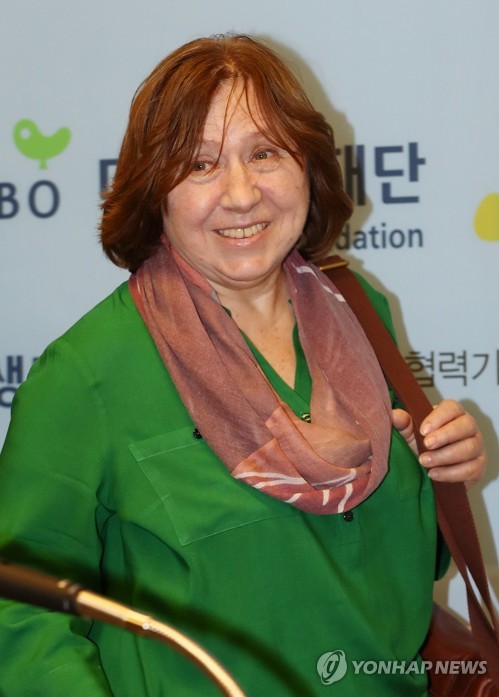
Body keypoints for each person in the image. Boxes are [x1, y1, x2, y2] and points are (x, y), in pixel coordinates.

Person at [0, 34, 486, 696]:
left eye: (264, 153)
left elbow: (394, 560)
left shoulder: (357, 313)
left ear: (307, 166)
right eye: (200, 164)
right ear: (154, 188)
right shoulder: (88, 373)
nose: (240, 193)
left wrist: (437, 474)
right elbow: (21, 609)